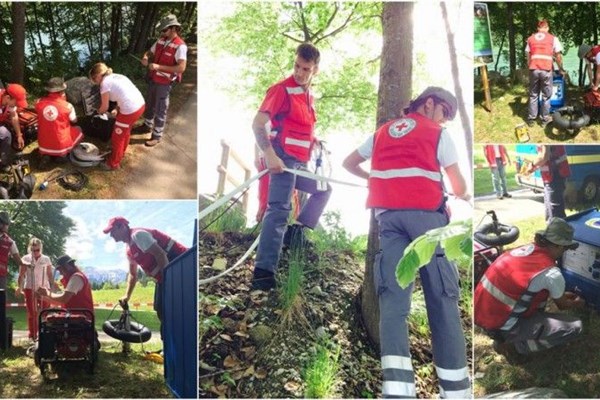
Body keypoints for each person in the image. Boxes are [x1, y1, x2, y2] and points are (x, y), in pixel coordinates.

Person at [343, 87, 471, 398]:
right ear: (429, 104)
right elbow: (458, 184)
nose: (446, 120)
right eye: (445, 113)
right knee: (442, 298)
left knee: (393, 303)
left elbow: (349, 162)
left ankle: (398, 391)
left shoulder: (382, 133)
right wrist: (463, 193)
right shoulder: (437, 134)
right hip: (427, 220)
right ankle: (455, 391)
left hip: (389, 222)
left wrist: (379, 179)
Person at [250, 42, 332, 291]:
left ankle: (294, 234)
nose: (299, 72)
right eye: (297, 66)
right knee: (278, 211)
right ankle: (263, 274)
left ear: (315, 70)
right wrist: (270, 155)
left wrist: (312, 140)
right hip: (283, 161)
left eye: (305, 69)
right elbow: (258, 124)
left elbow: (298, 127)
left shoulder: (308, 97)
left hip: (300, 164)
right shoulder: (281, 90)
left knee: (323, 189)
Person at [474, 217, 584, 357]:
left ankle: (508, 335)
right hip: (501, 325)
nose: (565, 252)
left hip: (482, 314)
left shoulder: (526, 249)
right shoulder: (550, 272)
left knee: (540, 300)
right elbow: (562, 305)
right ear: (558, 246)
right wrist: (579, 303)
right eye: (565, 248)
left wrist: (560, 294)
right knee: (575, 327)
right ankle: (515, 347)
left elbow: (529, 285)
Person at [102, 216, 188, 333]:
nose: (111, 235)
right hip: (165, 277)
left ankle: (178, 342)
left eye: (112, 231)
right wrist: (127, 296)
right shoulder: (129, 250)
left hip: (181, 265)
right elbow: (133, 274)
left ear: (122, 226)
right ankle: (168, 345)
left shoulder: (138, 235)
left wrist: (169, 282)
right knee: (160, 308)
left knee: (174, 309)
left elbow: (160, 255)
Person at [132, 14, 187, 147]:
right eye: (162, 30)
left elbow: (181, 68)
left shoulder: (180, 46)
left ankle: (157, 135)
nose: (162, 32)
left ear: (173, 28)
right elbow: (149, 52)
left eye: (164, 30)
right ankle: (147, 125)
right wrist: (145, 57)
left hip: (165, 82)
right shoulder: (161, 40)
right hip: (153, 78)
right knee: (150, 104)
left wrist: (158, 66)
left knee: (160, 108)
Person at [89, 63, 146, 170]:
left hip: (130, 109)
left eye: (94, 78)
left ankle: (113, 164)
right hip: (140, 105)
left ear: (97, 75)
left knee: (117, 137)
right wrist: (117, 109)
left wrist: (97, 112)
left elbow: (104, 107)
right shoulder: (117, 76)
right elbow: (123, 94)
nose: (94, 81)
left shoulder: (104, 84)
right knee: (126, 130)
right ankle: (120, 153)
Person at [525, 20, 565, 128]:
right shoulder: (553, 38)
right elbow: (558, 56)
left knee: (533, 94)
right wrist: (560, 69)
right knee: (546, 96)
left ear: (538, 28)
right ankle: (544, 119)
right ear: (547, 28)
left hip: (534, 69)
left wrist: (530, 66)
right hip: (546, 70)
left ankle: (531, 119)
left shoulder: (530, 38)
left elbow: (527, 55)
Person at [35, 77, 84, 164]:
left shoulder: (38, 102)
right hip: (61, 143)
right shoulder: (68, 106)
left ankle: (47, 155)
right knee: (78, 129)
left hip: (43, 143)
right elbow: (74, 121)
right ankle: (61, 155)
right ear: (62, 92)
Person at [15, 237, 54, 341]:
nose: (35, 252)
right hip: (29, 287)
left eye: (37, 250)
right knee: (32, 312)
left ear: (40, 248)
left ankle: (45, 333)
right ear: (29, 249)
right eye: (33, 250)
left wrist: (52, 287)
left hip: (43, 287)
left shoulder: (46, 259)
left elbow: (50, 274)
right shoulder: (25, 258)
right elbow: (21, 275)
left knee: (45, 311)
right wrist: (19, 287)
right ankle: (33, 335)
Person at [525, 145, 570, 220]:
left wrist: (532, 165)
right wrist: (533, 167)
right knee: (549, 207)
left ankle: (557, 229)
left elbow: (544, 156)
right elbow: (542, 156)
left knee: (555, 209)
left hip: (556, 174)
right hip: (550, 176)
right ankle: (550, 228)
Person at [0, 83, 26, 169]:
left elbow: (14, 116)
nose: (17, 105)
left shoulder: (8, 101)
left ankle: (3, 162)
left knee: (6, 135)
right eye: (16, 102)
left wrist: (19, 135)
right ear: (8, 98)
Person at [0, 211, 24, 291]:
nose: (8, 227)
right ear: (1, 224)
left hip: (1, 276)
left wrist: (28, 264)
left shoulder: (10, 242)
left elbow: (19, 261)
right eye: (7, 224)